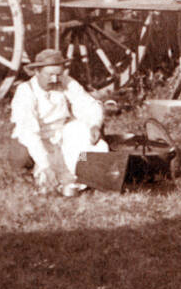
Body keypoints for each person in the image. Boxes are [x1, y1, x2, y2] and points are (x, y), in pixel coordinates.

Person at [8, 48, 108, 196]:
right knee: (25, 158)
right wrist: (45, 165)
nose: (55, 79)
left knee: (89, 143)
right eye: (50, 75)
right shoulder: (25, 91)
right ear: (37, 72)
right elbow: (29, 132)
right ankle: (36, 173)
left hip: (62, 133)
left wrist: (94, 124)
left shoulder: (66, 82)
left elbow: (87, 104)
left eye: (58, 74)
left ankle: (83, 171)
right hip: (36, 137)